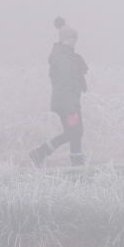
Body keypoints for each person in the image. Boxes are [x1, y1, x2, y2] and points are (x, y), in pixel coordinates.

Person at [29, 17, 89, 166]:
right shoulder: (62, 58)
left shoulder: (68, 56)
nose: (76, 40)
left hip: (70, 101)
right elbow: (64, 83)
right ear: (65, 39)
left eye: (76, 37)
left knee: (76, 131)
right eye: (73, 37)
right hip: (66, 102)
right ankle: (41, 153)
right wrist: (70, 108)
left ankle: (75, 162)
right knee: (73, 131)